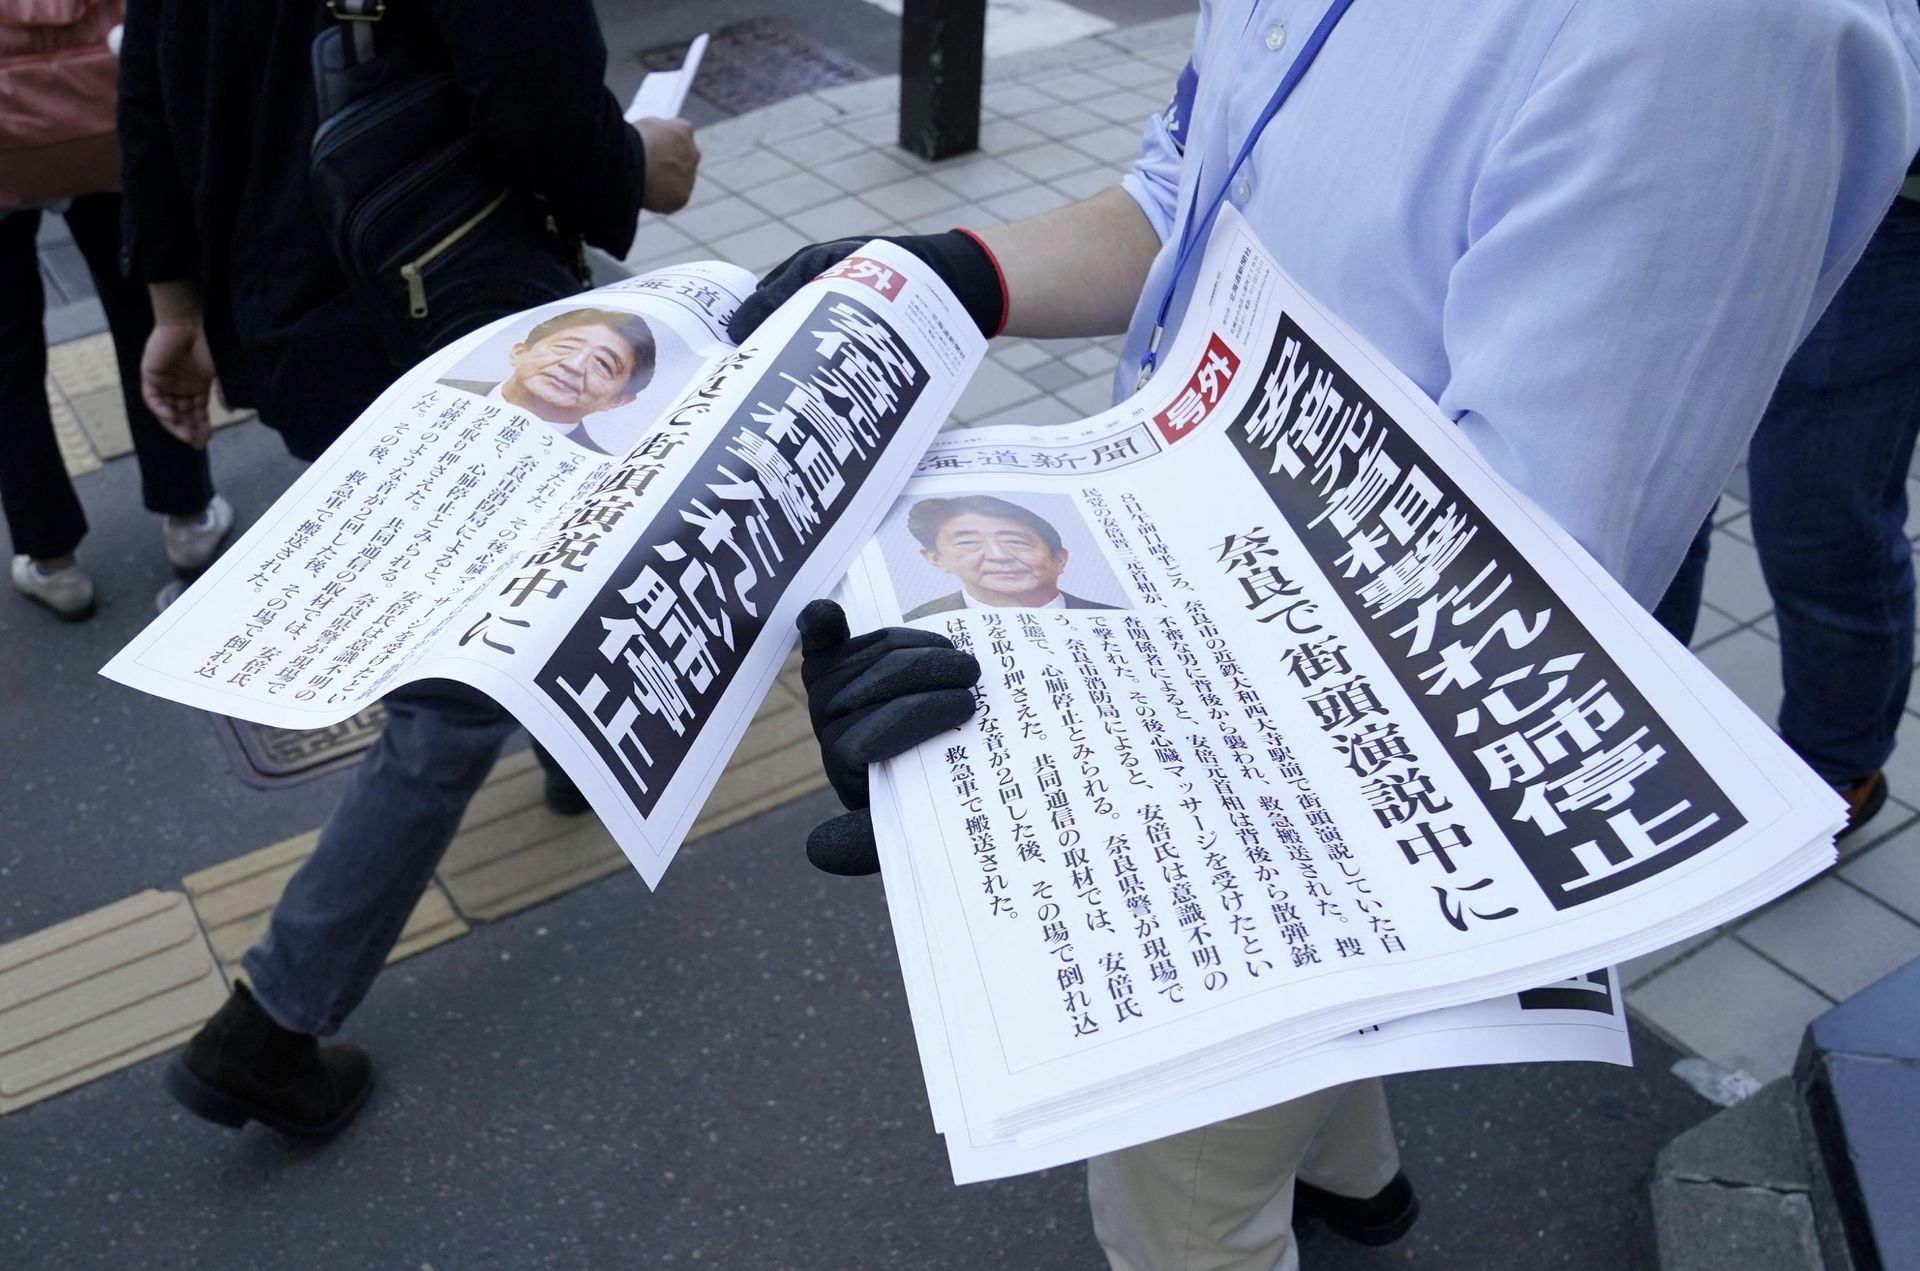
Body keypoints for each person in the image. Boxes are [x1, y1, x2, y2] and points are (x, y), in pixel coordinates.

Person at [730, 1, 1920, 1267]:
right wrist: (961, 273)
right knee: (1256, 1117)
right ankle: (1359, 1179)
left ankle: (1327, 1175)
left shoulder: (1710, 33)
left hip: (1308, 754)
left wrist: (1036, 726)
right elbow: (1189, 186)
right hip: (1198, 592)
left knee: (1179, 1213)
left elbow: (1505, 588)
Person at [116, 0, 699, 1138]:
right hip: (441, 320)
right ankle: (271, 1021)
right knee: (451, 693)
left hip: (280, 314)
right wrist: (642, 168)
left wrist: (173, 308)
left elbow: (150, 93)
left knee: (537, 549)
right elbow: (536, 105)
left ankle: (574, 749)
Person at [1653, 187, 1920, 841]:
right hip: (1710, 155)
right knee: (1656, 486)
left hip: (1894, 199)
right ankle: (1640, 731)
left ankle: (1834, 771)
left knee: (1820, 515)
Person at [1, 0, 230, 621]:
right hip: (104, 116)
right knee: (153, 318)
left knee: (6, 363)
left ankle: (52, 562)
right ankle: (188, 515)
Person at [438, 305, 656, 453]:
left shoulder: (603, 476)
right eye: (565, 347)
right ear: (519, 352)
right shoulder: (434, 392)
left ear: (617, 401)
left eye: (603, 364)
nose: (573, 365)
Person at [902, 494, 1119, 619]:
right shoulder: (916, 623)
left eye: (1016, 541)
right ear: (936, 558)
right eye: (968, 543)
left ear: (1059, 560)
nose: (999, 556)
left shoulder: (1117, 619)